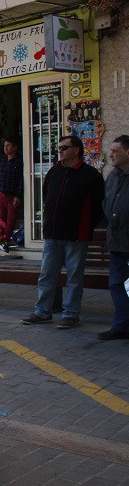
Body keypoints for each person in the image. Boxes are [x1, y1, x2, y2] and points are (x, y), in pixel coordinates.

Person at [21, 135, 105, 329]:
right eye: (59, 147)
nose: (60, 151)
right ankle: (43, 312)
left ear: (76, 150)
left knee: (74, 277)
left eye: (64, 147)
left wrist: (86, 224)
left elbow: (99, 206)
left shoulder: (91, 175)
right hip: (53, 234)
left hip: (77, 235)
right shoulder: (54, 172)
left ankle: (71, 314)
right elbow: (46, 196)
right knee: (47, 274)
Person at [100, 135, 129, 341]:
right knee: (116, 284)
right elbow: (106, 203)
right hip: (117, 240)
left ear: (128, 152)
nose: (111, 154)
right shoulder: (113, 176)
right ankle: (121, 326)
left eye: (115, 151)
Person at [0, 138, 23, 251]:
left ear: (15, 147)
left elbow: (22, 179)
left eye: (8, 145)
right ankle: (1, 237)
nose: (5, 148)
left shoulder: (19, 161)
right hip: (1, 192)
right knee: (1, 217)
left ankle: (7, 240)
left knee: (11, 218)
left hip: (13, 194)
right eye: (4, 145)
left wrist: (18, 195)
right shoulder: (1, 159)